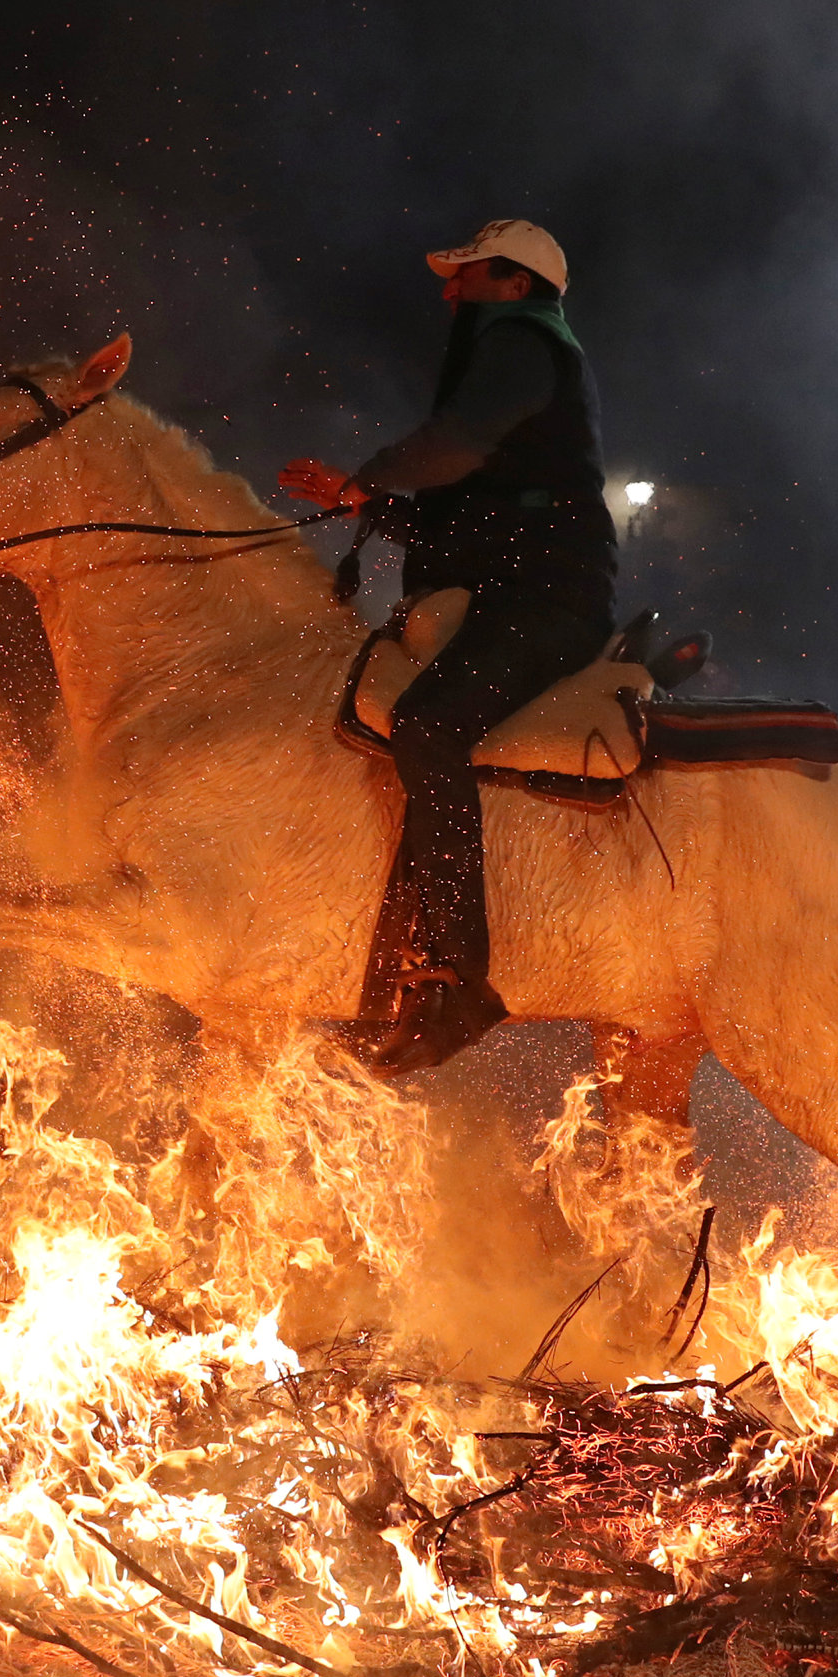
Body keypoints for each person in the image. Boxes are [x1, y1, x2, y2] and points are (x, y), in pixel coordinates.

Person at [280, 218, 615, 1073]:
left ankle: (462, 980)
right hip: (513, 590)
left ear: (512, 282)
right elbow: (475, 505)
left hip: (547, 601)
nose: (447, 291)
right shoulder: (517, 351)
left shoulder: (525, 342)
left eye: (464, 275)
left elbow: (454, 448)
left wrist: (374, 476)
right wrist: (369, 506)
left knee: (428, 728)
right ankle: (395, 969)